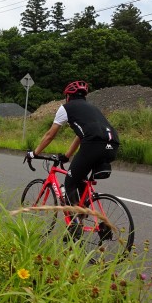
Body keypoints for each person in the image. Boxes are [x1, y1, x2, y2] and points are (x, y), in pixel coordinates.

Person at [27, 80, 119, 236]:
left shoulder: (66, 108)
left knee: (70, 182)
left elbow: (50, 135)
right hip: (113, 145)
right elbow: (80, 136)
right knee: (81, 180)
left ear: (68, 96)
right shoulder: (92, 109)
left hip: (93, 145)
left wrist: (34, 153)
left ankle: (75, 224)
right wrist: (67, 156)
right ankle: (82, 215)